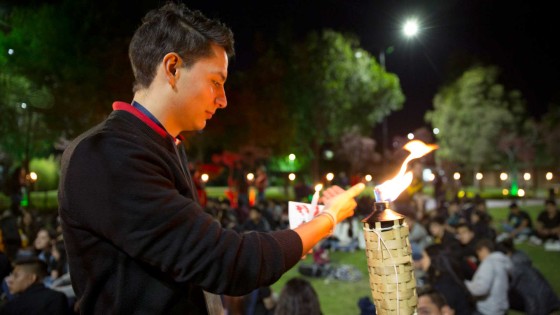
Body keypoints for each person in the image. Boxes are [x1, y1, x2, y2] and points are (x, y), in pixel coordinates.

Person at [57, 3, 365, 314]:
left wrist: (302, 232)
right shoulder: (107, 154)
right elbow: (225, 262)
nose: (223, 100)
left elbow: (196, 251)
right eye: (216, 82)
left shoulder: (162, 145)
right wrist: (329, 219)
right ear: (173, 68)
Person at [497, 238, 560, 315]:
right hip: (549, 299)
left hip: (537, 304)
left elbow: (507, 286)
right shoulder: (521, 258)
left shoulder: (514, 266)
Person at [1, 257, 70, 314]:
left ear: (32, 278)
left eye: (16, 276)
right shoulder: (57, 297)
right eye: (11, 275)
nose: (9, 280)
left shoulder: (11, 307)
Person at [418, 244, 474, 315]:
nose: (421, 261)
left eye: (423, 257)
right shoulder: (443, 278)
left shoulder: (445, 284)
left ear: (433, 258)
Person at [464, 238, 512, 315]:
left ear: (484, 249)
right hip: (500, 307)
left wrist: (465, 285)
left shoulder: (488, 263)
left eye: (478, 252)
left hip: (488, 309)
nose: (478, 257)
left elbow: (481, 288)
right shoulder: (501, 262)